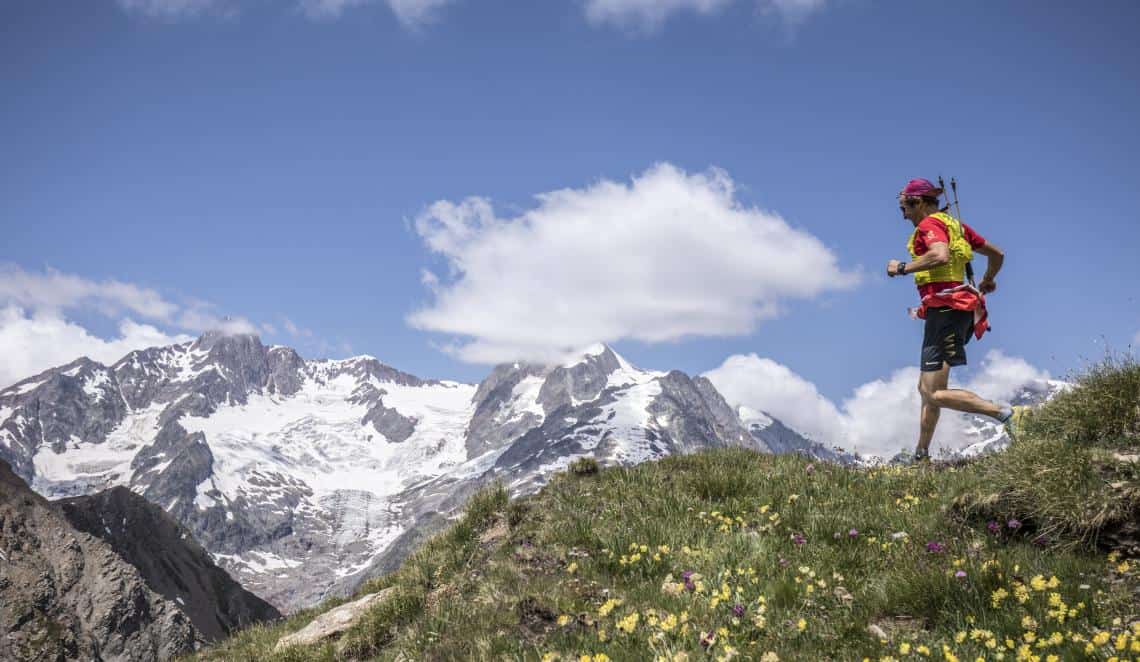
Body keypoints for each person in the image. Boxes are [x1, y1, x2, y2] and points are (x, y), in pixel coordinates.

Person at [887, 177, 1017, 463]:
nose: (903, 215)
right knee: (927, 390)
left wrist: (903, 268)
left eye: (904, 208)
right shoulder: (954, 225)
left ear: (918, 202)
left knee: (933, 392)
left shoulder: (929, 226)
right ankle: (921, 455)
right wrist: (987, 279)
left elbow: (940, 254)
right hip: (959, 310)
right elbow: (997, 254)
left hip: (945, 311)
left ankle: (1003, 412)